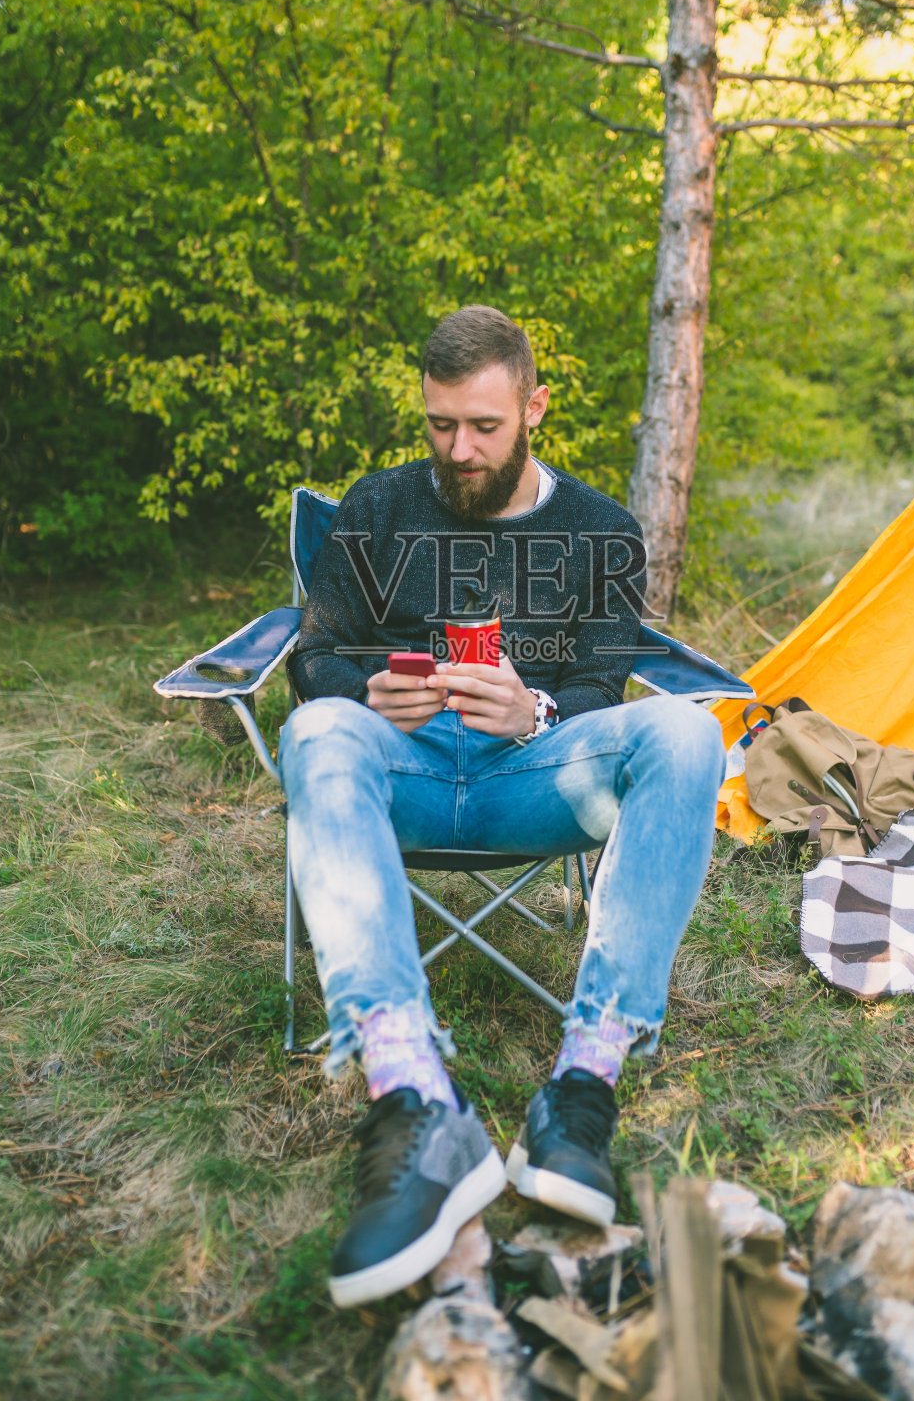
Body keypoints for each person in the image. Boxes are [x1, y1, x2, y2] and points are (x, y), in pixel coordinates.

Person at [282, 305, 724, 1307]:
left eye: (482, 426)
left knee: (688, 730)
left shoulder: (602, 532)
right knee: (313, 731)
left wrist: (535, 709)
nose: (459, 448)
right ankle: (409, 1096)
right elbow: (314, 655)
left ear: (533, 407)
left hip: (535, 779)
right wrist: (359, 693)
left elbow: (605, 691)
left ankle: (583, 1086)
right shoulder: (382, 505)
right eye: (440, 425)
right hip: (399, 768)